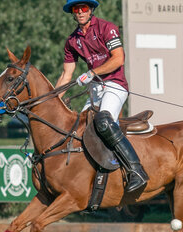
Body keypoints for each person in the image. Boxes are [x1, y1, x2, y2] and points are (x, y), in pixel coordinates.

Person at [55, 0, 148, 192]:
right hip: (95, 90)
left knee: (103, 122)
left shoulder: (107, 28)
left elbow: (118, 58)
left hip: (115, 85)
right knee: (77, 130)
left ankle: (136, 170)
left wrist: (91, 73)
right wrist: (52, 100)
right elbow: (66, 75)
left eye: (84, 8)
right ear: (72, 13)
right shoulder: (72, 41)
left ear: (91, 10)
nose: (80, 12)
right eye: (76, 9)